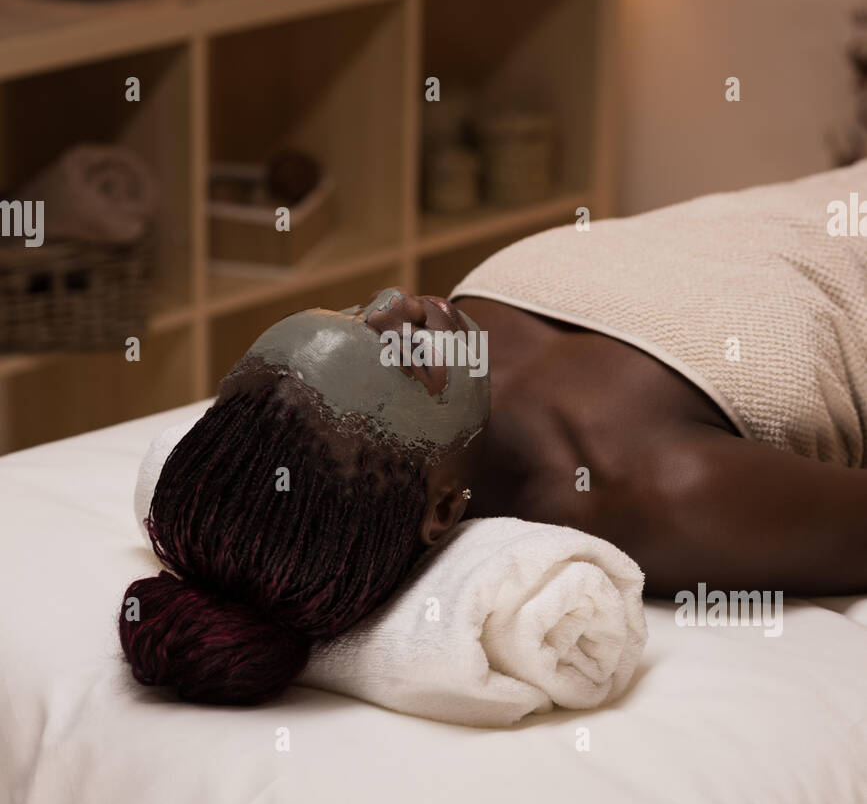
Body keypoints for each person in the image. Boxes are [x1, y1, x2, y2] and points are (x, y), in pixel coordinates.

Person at [119, 159, 867, 705]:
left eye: (347, 315)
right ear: (443, 509)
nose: (393, 303)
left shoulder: (457, 344)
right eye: (401, 355)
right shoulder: (661, 492)